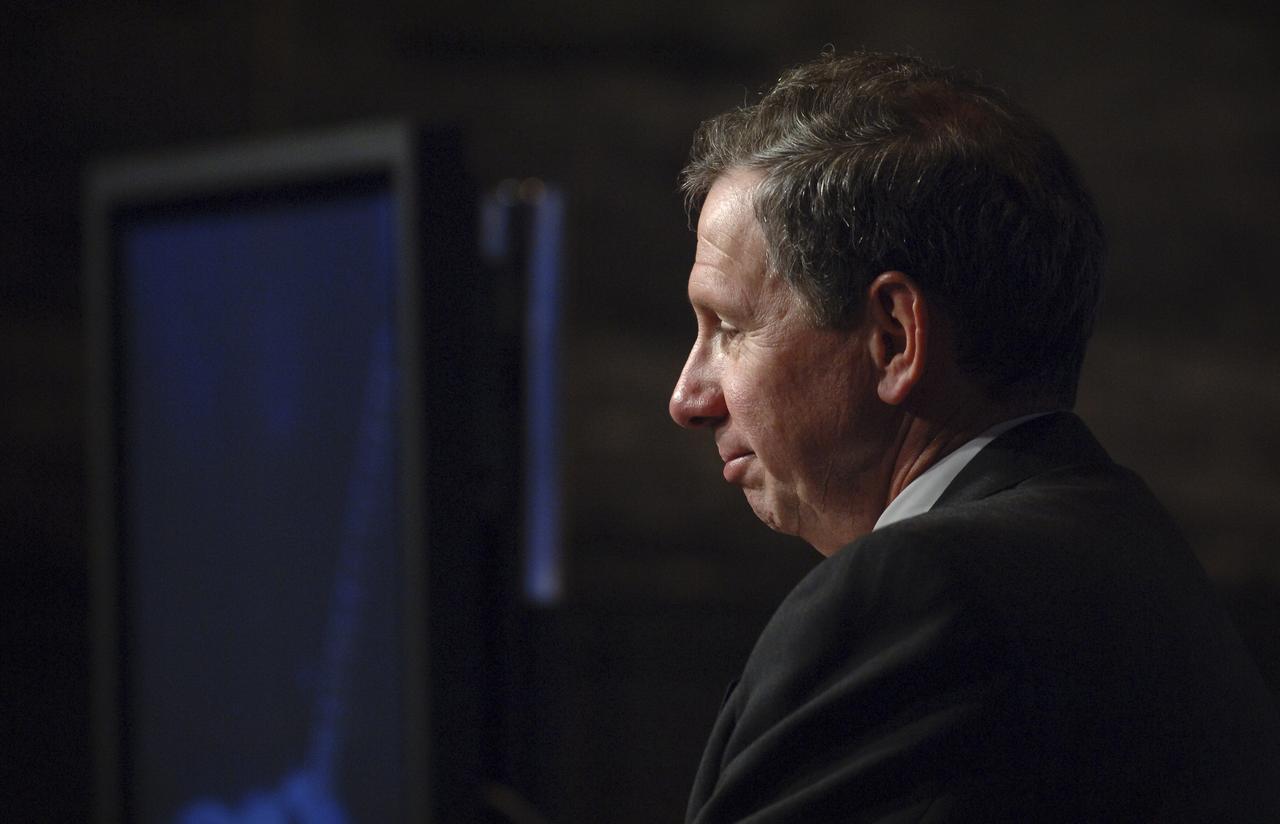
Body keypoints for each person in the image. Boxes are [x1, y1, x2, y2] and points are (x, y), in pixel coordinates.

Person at [669, 51, 1280, 823]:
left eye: (729, 326)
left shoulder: (920, 594)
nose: (688, 398)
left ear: (894, 338)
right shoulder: (1123, 548)